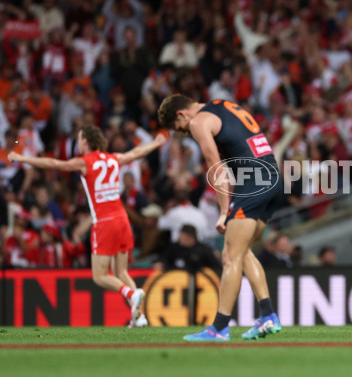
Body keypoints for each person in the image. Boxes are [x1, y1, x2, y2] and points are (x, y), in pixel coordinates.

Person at [8, 124, 166, 328]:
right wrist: (156, 142)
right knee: (122, 272)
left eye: (80, 138)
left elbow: (54, 163)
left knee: (99, 276)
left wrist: (23, 159)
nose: (78, 142)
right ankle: (139, 316)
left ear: (86, 141)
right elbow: (136, 153)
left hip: (105, 222)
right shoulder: (113, 158)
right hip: (122, 219)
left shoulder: (85, 162)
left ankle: (131, 294)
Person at [158, 94, 284, 342]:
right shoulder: (224, 105)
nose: (184, 132)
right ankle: (267, 315)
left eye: (179, 128)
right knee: (243, 250)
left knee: (229, 255)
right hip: (272, 176)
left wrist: (225, 211)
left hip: (254, 181)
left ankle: (219, 328)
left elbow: (216, 168)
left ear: (181, 114)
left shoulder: (198, 122)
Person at [155, 224, 220, 273]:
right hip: (175, 282)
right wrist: (160, 263)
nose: (184, 238)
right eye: (182, 235)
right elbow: (162, 260)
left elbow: (215, 267)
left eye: (187, 236)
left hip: (199, 283)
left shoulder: (203, 249)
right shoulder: (173, 248)